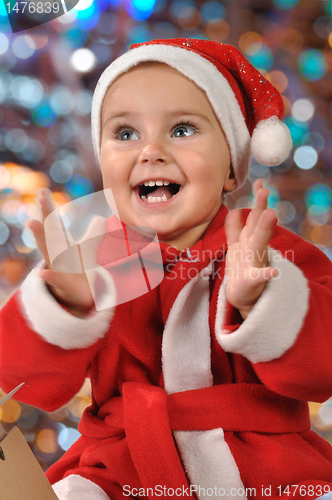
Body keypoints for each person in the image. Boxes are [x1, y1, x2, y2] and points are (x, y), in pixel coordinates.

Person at [1, 38, 332, 500]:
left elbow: (323, 370)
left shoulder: (265, 248)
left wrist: (266, 301)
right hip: (122, 470)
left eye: (181, 130)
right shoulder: (95, 259)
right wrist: (64, 305)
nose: (150, 150)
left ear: (233, 170)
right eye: (125, 134)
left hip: (265, 469)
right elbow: (22, 378)